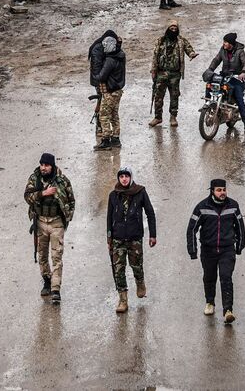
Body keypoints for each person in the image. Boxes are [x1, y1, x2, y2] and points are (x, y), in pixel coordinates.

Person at [186, 178, 245, 324]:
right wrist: (193, 250)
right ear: (212, 191)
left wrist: (239, 246)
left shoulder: (233, 206)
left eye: (224, 190)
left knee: (226, 277)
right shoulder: (202, 207)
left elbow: (240, 227)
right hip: (208, 250)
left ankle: (228, 310)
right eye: (219, 190)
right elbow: (191, 229)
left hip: (227, 250)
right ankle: (210, 302)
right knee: (209, 277)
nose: (222, 193)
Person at [24, 153, 75, 305]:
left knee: (57, 257)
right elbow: (27, 196)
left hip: (56, 223)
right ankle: (47, 280)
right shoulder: (35, 178)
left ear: (52, 166)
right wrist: (43, 193)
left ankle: (55, 289)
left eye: (46, 165)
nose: (43, 168)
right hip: (40, 222)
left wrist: (68, 217)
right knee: (42, 255)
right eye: (42, 165)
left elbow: (72, 200)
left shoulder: (62, 180)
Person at [107, 166, 156, 313]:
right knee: (118, 269)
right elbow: (109, 217)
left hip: (135, 238)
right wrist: (109, 237)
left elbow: (150, 213)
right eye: (121, 176)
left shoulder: (140, 192)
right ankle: (123, 300)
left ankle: (140, 282)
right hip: (118, 238)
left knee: (136, 265)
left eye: (126, 176)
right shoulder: (113, 195)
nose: (124, 179)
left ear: (131, 177)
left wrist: (152, 235)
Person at [149, 19, 198, 128]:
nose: (173, 30)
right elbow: (155, 56)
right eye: (171, 28)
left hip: (175, 74)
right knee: (158, 96)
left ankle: (173, 117)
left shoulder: (181, 41)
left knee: (174, 96)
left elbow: (188, 48)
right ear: (167, 29)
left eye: (175, 28)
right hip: (161, 73)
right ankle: (158, 117)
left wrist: (192, 54)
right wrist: (153, 70)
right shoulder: (160, 41)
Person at [206, 33, 245, 134]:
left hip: (237, 79)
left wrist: (243, 72)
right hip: (225, 76)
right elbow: (216, 60)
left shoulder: (240, 51)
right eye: (224, 41)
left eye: (225, 42)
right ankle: (208, 105)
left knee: (239, 100)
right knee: (210, 83)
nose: (224, 43)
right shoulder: (223, 50)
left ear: (230, 43)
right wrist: (210, 70)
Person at [94, 35, 126, 151]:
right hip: (118, 91)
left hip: (110, 91)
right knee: (114, 114)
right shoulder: (120, 55)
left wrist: (96, 76)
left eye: (105, 45)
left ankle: (106, 140)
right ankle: (116, 139)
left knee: (103, 115)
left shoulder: (110, 60)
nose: (104, 48)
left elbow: (102, 76)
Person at [88, 29, 120, 144]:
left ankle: (104, 129)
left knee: (106, 106)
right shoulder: (98, 49)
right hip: (100, 80)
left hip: (106, 79)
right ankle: (100, 127)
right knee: (102, 105)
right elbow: (96, 68)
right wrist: (100, 80)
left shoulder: (106, 47)